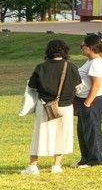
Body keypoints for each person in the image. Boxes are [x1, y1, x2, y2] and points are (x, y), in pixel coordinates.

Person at [22, 39, 82, 174]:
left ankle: (33, 166)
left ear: (48, 51)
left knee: (39, 135)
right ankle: (56, 165)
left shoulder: (41, 67)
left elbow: (32, 86)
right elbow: (78, 86)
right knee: (61, 135)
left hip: (46, 106)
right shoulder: (71, 67)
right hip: (66, 106)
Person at [75, 34, 102, 168]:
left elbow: (96, 85)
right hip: (84, 100)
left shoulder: (96, 63)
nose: (81, 47)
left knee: (92, 130)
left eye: (82, 45)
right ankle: (85, 158)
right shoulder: (90, 61)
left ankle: (96, 159)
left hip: (93, 101)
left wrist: (87, 103)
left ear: (90, 48)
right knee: (83, 131)